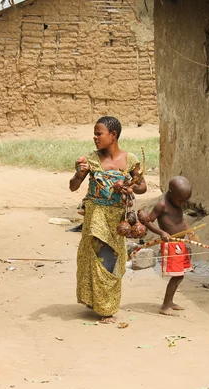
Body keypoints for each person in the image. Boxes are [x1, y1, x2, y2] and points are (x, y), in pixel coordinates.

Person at [70, 116, 147, 324]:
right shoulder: (91, 160)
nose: (95, 138)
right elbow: (73, 186)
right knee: (100, 256)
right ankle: (105, 309)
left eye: (99, 134)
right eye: (94, 134)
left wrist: (130, 185)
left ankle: (100, 300)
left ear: (113, 135)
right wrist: (79, 174)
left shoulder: (129, 160)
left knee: (113, 258)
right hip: (95, 215)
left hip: (118, 219)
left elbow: (143, 187)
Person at [144, 176, 195, 316]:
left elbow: (181, 220)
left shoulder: (177, 202)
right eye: (181, 200)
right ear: (171, 193)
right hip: (171, 245)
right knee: (177, 275)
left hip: (180, 244)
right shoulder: (162, 205)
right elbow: (148, 221)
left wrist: (189, 230)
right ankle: (165, 306)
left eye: (185, 201)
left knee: (181, 275)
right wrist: (161, 232)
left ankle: (170, 302)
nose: (183, 203)